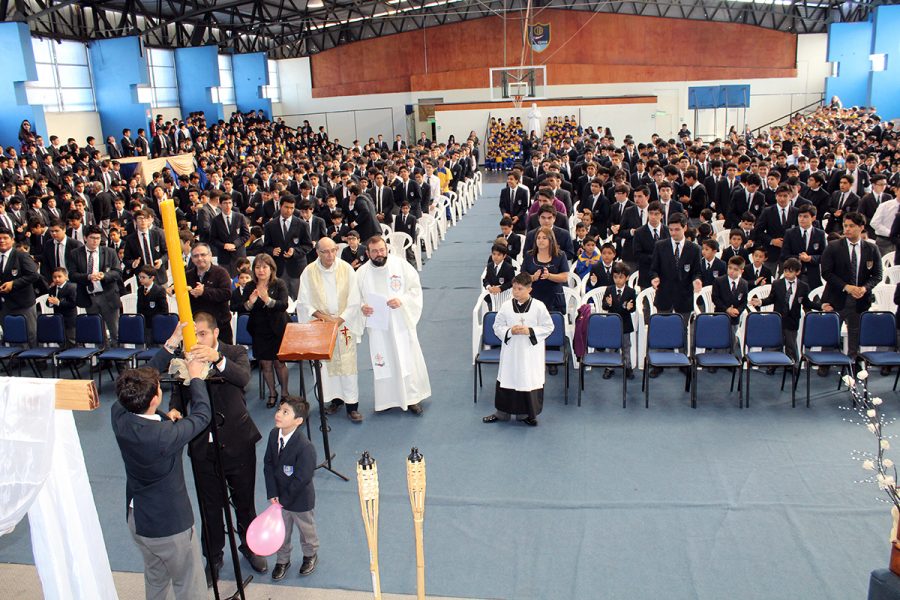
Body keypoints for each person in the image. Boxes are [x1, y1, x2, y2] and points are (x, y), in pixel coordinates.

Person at [149, 312, 266, 584]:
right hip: (202, 444)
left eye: (202, 334)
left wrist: (218, 360)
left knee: (244, 502)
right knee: (209, 506)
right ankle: (213, 556)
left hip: (238, 441)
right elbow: (179, 392)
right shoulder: (186, 358)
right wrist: (175, 409)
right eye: (194, 335)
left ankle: (250, 546)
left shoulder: (234, 352)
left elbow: (242, 378)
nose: (197, 340)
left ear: (215, 333)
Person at [111, 351, 210, 600]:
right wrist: (196, 378)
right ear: (156, 398)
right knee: (190, 585)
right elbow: (201, 416)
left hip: (139, 520)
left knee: (156, 579)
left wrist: (168, 348)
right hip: (169, 527)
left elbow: (134, 384)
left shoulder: (119, 414)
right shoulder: (164, 435)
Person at [357, 235, 431, 414]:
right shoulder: (361, 273)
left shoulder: (400, 265)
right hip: (378, 326)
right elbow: (355, 298)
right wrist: (362, 307)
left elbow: (414, 289)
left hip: (400, 322)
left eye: (381, 250)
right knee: (384, 360)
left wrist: (402, 300)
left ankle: (412, 398)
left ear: (387, 249)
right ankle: (387, 400)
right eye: (374, 251)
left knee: (406, 358)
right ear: (368, 253)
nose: (379, 254)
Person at [298, 237, 364, 422]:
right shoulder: (309, 271)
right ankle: (335, 401)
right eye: (325, 251)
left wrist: (340, 319)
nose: (330, 255)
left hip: (344, 324)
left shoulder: (346, 268)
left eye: (333, 250)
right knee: (326, 368)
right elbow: (303, 302)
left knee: (348, 366)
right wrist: (325, 318)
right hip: (321, 324)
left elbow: (355, 298)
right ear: (317, 252)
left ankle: (352, 405)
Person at [482, 273, 553, 427]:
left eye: (520, 289)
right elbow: (497, 326)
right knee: (508, 378)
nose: (516, 292)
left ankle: (526, 414)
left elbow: (549, 327)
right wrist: (509, 331)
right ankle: (502, 413)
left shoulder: (539, 306)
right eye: (514, 288)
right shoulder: (506, 306)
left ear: (529, 289)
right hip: (511, 351)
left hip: (530, 352)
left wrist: (530, 331)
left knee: (527, 379)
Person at [264, 396, 320, 581]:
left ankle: (310, 554)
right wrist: (272, 492)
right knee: (282, 531)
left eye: (285, 412)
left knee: (306, 530)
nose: (278, 414)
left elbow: (302, 479)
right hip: (279, 498)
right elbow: (269, 464)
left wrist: (284, 500)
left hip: (299, 499)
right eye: (279, 410)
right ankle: (282, 560)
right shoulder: (273, 435)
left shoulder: (305, 447)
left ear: (298, 421)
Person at [821, 211, 882, 358]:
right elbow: (826, 273)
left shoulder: (872, 249)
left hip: (860, 299)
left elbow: (878, 275)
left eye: (851, 226)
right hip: (837, 297)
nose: (847, 229)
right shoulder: (833, 247)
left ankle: (852, 363)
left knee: (855, 334)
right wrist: (846, 287)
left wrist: (864, 288)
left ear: (861, 227)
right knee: (830, 332)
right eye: (845, 225)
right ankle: (825, 363)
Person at [242, 253, 291, 408]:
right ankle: (272, 392)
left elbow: (283, 305)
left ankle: (284, 392)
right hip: (259, 330)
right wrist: (250, 302)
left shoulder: (279, 284)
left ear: (271, 269)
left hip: (278, 330)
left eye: (264, 267)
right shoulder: (250, 286)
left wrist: (267, 300)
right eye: (257, 267)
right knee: (265, 364)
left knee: (279, 363)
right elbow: (239, 306)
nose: (261, 270)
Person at [751, 258, 814, 369]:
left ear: (797, 272)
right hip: (778, 319)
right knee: (776, 343)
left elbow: (807, 302)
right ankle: (773, 364)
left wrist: (821, 306)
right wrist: (760, 302)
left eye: (790, 271)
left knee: (791, 344)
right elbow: (771, 299)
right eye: (785, 271)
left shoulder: (803, 286)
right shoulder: (777, 284)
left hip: (792, 320)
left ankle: (792, 365)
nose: (787, 274)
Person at [69, 225, 122, 345]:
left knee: (115, 331)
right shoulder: (75, 253)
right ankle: (103, 359)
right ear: (85, 238)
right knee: (97, 331)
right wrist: (87, 277)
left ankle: (120, 360)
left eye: (98, 238)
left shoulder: (109, 252)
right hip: (89, 296)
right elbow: (72, 275)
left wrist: (104, 276)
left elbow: (118, 272)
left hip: (108, 295)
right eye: (92, 238)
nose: (95, 241)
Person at [185, 242, 234, 344]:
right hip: (197, 329)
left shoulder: (221, 273)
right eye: (195, 256)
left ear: (210, 255)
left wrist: (204, 292)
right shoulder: (187, 275)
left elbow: (227, 294)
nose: (199, 258)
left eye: (203, 255)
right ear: (192, 259)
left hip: (220, 326)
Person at [0, 226, 40, 345]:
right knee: (12, 334)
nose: (1, 241)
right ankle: (17, 361)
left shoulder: (21, 256)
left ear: (12, 240)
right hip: (4, 304)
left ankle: (39, 361)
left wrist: (13, 283)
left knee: (30, 334)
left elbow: (34, 275)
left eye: (5, 238)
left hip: (23, 303)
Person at [601, 263, 636, 379]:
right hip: (612, 324)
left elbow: (633, 308)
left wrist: (629, 307)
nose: (618, 280)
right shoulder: (609, 289)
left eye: (621, 277)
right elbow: (604, 306)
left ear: (627, 277)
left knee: (626, 346)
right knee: (611, 346)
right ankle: (610, 367)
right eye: (615, 277)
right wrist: (608, 303)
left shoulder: (631, 291)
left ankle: (628, 367)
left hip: (625, 324)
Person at [45, 266, 77, 347]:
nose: (57, 279)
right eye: (54, 277)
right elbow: (48, 303)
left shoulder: (71, 287)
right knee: (61, 339)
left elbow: (73, 303)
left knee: (72, 339)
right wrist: (51, 302)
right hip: (58, 318)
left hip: (70, 319)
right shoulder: (52, 289)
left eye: (59, 276)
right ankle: (64, 357)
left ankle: (75, 358)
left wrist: (58, 303)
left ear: (66, 277)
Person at [136, 265, 168, 340]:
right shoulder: (140, 290)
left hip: (156, 324)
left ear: (152, 278)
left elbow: (164, 309)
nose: (140, 279)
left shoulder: (159, 290)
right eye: (140, 277)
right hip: (144, 323)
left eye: (143, 277)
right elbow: (139, 307)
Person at [482, 242, 516, 309]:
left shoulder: (509, 268)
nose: (495, 257)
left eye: (499, 255)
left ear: (504, 256)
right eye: (494, 254)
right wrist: (489, 287)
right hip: (491, 297)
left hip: (505, 297)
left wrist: (500, 288)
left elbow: (511, 282)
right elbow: (486, 279)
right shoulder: (490, 266)